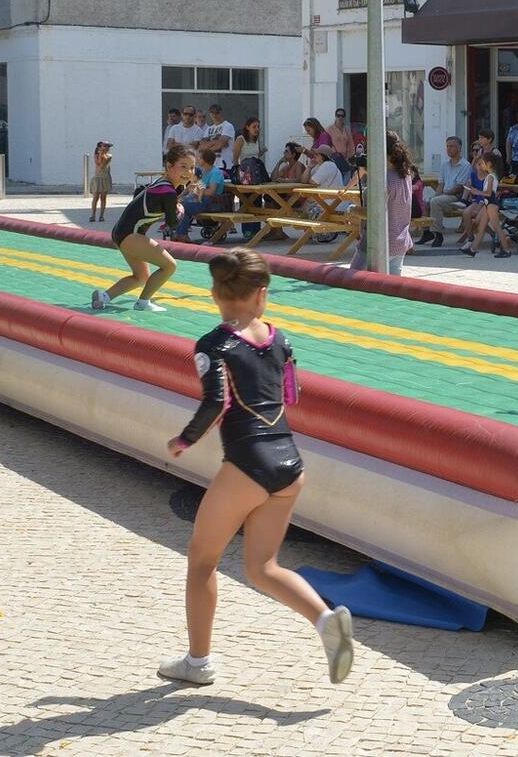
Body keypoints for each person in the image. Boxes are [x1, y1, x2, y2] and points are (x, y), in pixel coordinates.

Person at [159, 249, 355, 687]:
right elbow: (291, 396)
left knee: (202, 561)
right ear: (261, 295)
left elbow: (216, 403)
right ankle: (325, 620)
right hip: (290, 463)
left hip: (247, 463)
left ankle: (198, 662)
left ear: (214, 294)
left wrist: (185, 439)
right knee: (263, 565)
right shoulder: (279, 337)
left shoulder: (212, 344)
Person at [92, 144, 194, 312]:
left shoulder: (163, 183)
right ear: (169, 166)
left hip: (121, 232)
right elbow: (172, 223)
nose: (188, 172)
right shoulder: (168, 191)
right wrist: (180, 210)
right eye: (183, 167)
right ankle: (143, 302)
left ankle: (104, 296)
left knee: (141, 277)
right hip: (131, 235)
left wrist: (176, 203)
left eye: (191, 167)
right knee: (169, 266)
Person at [350, 132, 418, 276]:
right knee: (390, 291)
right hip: (399, 241)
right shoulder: (405, 174)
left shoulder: (383, 179)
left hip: (377, 242)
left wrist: (352, 210)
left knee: (352, 283)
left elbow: (373, 213)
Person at [87, 142, 115, 223]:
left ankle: (101, 216)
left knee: (103, 198)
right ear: (100, 147)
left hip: (105, 178)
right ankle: (92, 215)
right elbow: (98, 164)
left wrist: (102, 154)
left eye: (108, 146)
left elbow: (102, 165)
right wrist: (100, 154)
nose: (107, 147)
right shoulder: (96, 155)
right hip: (97, 178)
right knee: (95, 197)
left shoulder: (109, 156)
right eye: (105, 146)